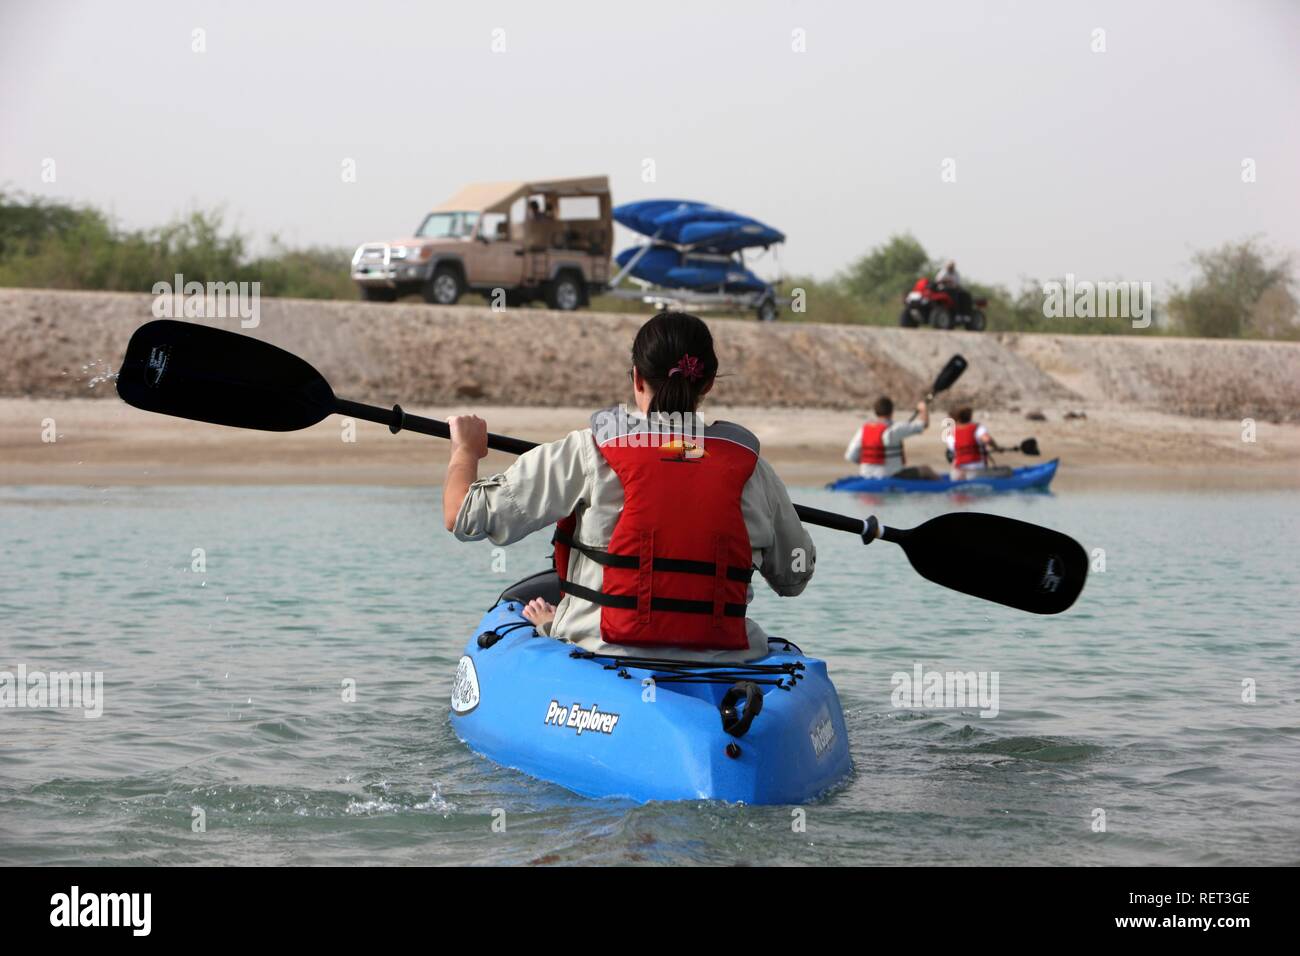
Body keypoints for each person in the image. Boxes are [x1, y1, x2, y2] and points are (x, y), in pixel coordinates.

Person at [442, 311, 815, 663]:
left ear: (637, 378)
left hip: (605, 653)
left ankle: (561, 624)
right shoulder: (752, 469)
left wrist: (466, 450)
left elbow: (463, 516)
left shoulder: (587, 451)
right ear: (709, 383)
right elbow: (794, 577)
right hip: (727, 660)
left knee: (546, 620)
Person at [843, 396, 934, 479]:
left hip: (866, 474)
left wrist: (870, 464)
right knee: (926, 470)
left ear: (875, 412)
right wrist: (923, 408)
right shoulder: (895, 429)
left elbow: (850, 456)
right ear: (891, 411)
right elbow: (924, 424)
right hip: (891, 475)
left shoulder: (863, 430)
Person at [945, 406, 995, 478]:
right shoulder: (977, 428)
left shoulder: (951, 433)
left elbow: (952, 452)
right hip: (977, 469)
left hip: (958, 471)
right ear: (969, 417)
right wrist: (996, 447)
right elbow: (987, 440)